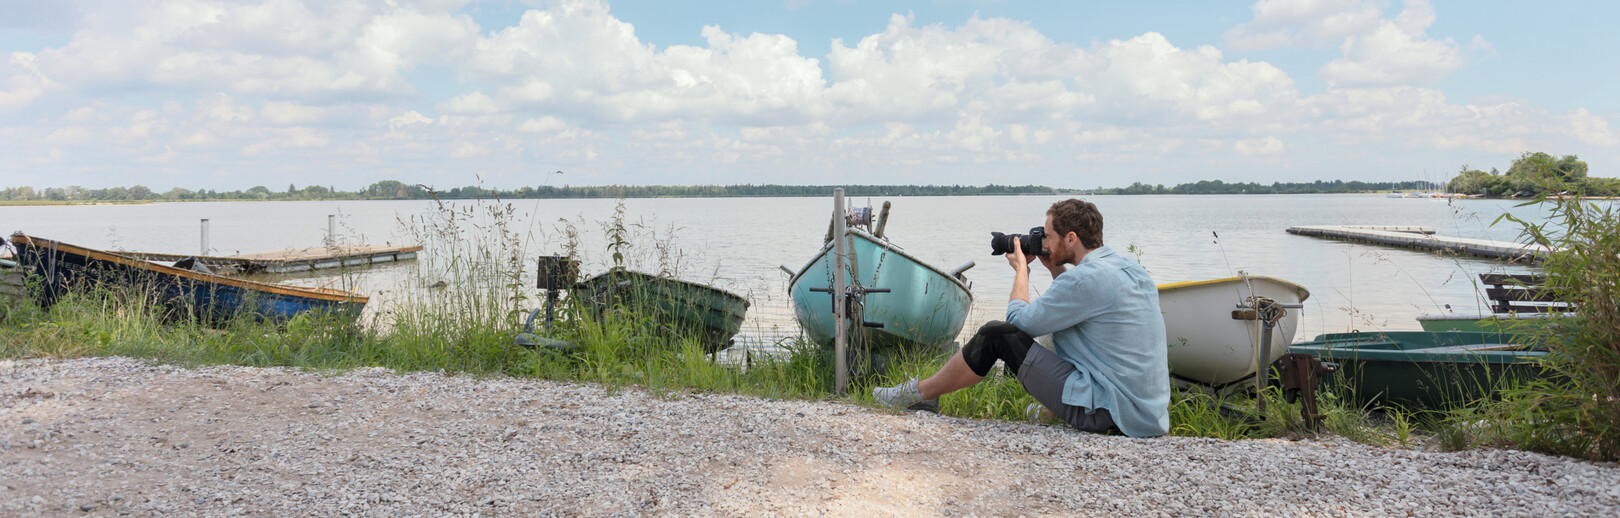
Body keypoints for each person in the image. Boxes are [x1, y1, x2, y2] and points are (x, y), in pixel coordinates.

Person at [873, 199, 1170, 437]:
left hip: (1110, 414)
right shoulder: (1130, 270)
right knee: (1072, 340)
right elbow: (1080, 308)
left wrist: (1021, 271)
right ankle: (1048, 412)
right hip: (1146, 415)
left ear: (1071, 238)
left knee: (996, 335)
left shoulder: (1084, 280)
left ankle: (919, 394)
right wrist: (1055, 268)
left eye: (1049, 237)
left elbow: (1017, 324)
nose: (1045, 243)